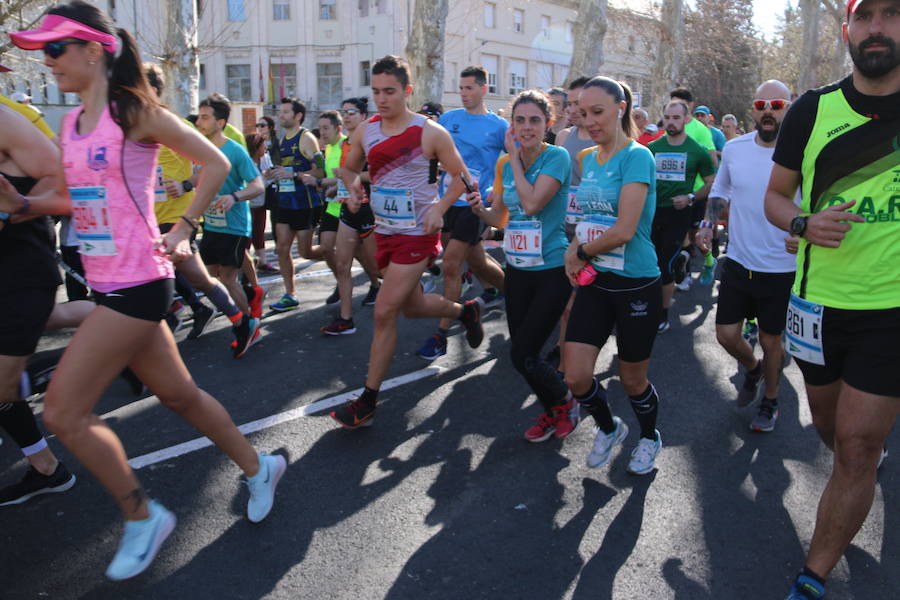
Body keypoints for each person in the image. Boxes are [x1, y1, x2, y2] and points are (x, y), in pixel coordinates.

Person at [9, 2, 285, 579]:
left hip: (140, 283)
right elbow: (75, 202)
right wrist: (23, 206)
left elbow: (210, 163)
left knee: (62, 411)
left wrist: (184, 228)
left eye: (56, 48)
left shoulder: (132, 110)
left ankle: (141, 516)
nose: (47, 60)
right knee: (181, 396)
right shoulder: (68, 124)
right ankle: (261, 467)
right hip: (107, 284)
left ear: (93, 49)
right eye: (41, 51)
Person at [764, 1, 899, 597]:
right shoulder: (812, 110)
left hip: (891, 312)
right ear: (847, 29)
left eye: (892, 14)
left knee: (857, 443)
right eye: (865, 15)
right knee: (830, 429)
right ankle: (858, 472)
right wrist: (802, 225)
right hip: (815, 306)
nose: (877, 27)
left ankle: (811, 578)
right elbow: (775, 197)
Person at [329, 55, 484, 428]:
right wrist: (353, 189)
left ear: (407, 91)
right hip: (384, 231)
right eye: (376, 92)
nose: (382, 99)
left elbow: (465, 178)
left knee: (384, 311)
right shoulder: (366, 130)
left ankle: (367, 400)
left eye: (390, 92)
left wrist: (440, 208)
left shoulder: (430, 132)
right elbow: (348, 167)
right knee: (412, 308)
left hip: (417, 234)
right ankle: (466, 311)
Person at [561, 76, 663, 475]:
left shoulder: (638, 157)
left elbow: (624, 229)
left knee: (632, 380)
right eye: (583, 113)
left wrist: (581, 251)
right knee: (576, 376)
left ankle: (650, 437)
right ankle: (609, 427)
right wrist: (574, 250)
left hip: (636, 283)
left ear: (621, 108)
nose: (589, 121)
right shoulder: (587, 158)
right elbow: (586, 218)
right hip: (596, 280)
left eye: (597, 112)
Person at [468, 89, 577, 442]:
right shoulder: (504, 164)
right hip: (516, 270)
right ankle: (555, 409)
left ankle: (564, 402)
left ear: (548, 124)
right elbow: (501, 216)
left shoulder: (556, 157)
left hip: (551, 270)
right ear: (511, 123)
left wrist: (514, 158)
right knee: (521, 355)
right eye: (519, 120)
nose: (526, 127)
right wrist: (479, 209)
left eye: (534, 120)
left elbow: (531, 205)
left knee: (525, 353)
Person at [698, 80, 797, 432]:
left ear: (789, 108)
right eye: (761, 104)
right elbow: (721, 188)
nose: (768, 110)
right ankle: (752, 370)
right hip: (739, 260)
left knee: (772, 341)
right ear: (752, 110)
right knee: (725, 334)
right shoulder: (736, 149)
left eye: (776, 104)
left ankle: (770, 401)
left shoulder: (803, 152)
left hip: (781, 266)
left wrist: (804, 234)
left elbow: (815, 203)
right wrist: (708, 223)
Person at [0, 75, 77, 507]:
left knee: (1, 386)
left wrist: (8, 213)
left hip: (20, 273)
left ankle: (50, 370)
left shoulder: (5, 120)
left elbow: (63, 186)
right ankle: (46, 468)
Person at [415, 65, 508, 361]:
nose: (464, 93)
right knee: (476, 260)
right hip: (447, 201)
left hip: (475, 204)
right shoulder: (449, 119)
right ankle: (509, 291)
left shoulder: (498, 126)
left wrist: (499, 190)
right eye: (461, 88)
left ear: (484, 89)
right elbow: (433, 155)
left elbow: (513, 160)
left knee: (452, 263)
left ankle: (440, 335)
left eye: (470, 88)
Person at [194, 93, 265, 357]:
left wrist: (234, 196)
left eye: (205, 117)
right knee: (207, 275)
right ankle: (250, 297)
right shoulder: (201, 148)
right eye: (199, 116)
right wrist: (183, 185)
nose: (199, 122)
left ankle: (248, 328)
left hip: (234, 225)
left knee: (226, 277)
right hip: (212, 223)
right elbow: (201, 174)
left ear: (220, 122)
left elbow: (257, 184)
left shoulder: (234, 150)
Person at [648, 101, 715, 332]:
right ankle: (646, 306)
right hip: (652, 213)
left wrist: (690, 197)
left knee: (663, 263)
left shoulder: (697, 150)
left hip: (678, 214)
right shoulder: (653, 148)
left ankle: (662, 313)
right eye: (667, 117)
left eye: (676, 117)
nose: (671, 122)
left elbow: (710, 183)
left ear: (686, 119)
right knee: (650, 262)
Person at [323, 96, 382, 335]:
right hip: (348, 207)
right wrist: (338, 186)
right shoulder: (344, 144)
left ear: (363, 117)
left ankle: (413, 290)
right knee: (342, 263)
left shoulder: (373, 142)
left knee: (379, 267)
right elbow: (348, 176)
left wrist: (348, 174)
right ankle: (346, 319)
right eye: (344, 111)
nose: (346, 116)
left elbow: (377, 176)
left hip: (370, 208)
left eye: (352, 112)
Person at [269, 97, 325, 312]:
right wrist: (272, 173)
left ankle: (336, 256)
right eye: (280, 112)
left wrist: (293, 173)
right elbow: (283, 170)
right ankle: (290, 294)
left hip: (305, 203)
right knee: (282, 249)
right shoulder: (282, 140)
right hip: (284, 202)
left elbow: (320, 172)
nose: (281, 115)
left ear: (298, 115)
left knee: (305, 252)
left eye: (285, 112)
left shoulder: (307, 138)